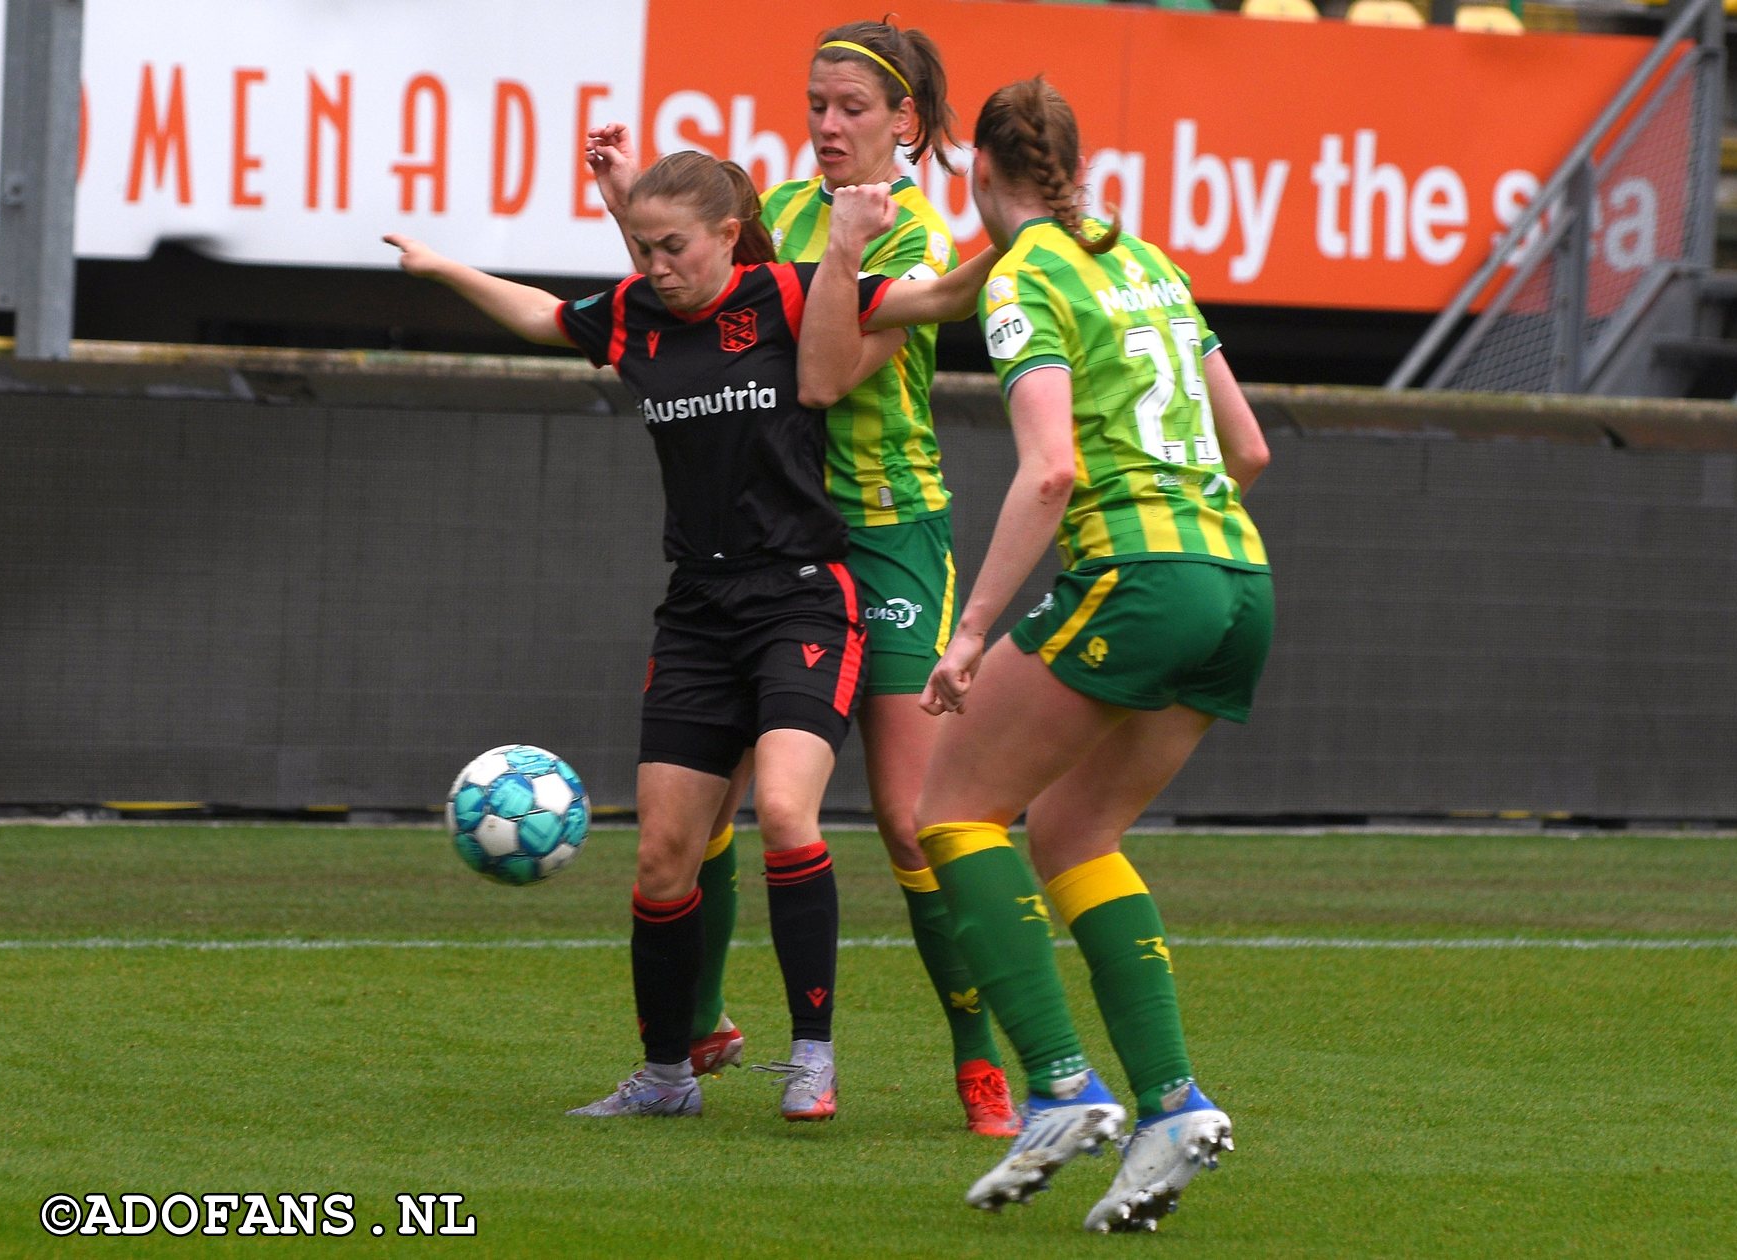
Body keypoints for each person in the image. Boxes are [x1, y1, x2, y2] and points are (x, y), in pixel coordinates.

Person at [385, 152, 991, 1123]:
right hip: (701, 614)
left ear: (725, 233)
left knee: (788, 816)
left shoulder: (792, 293)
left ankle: (812, 1056)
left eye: (672, 246)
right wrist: (443, 268)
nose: (656, 265)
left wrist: (1021, 234)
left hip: (803, 600)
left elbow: (941, 300)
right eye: (640, 246)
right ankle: (666, 1075)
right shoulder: (636, 314)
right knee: (664, 853)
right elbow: (545, 316)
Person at [804, 76, 1272, 1233]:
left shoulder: (1027, 278)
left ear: (978, 173)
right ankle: (1173, 1104)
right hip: (1241, 582)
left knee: (948, 810)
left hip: (1139, 575)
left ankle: (1060, 1087)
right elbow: (1247, 445)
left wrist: (968, 636)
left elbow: (1051, 471)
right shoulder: (1148, 260)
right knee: (1072, 833)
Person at [585, 18, 1019, 1139]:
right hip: (777, 547)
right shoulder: (776, 203)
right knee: (706, 799)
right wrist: (632, 200)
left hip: (884, 540)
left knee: (912, 820)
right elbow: (691, 282)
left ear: (906, 123)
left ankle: (980, 1062)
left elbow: (822, 377)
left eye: (851, 110)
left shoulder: (910, 231)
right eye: (815, 104)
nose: (825, 126)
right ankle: (704, 1025)